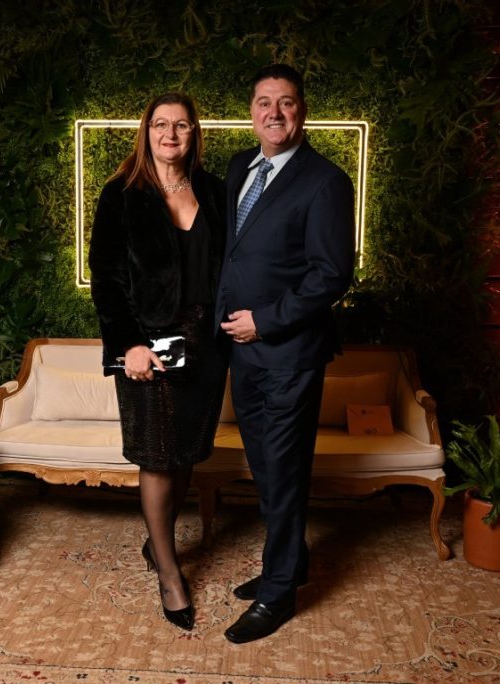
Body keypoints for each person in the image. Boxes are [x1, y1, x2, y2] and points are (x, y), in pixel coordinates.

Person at [216, 64, 355, 643]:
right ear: (251, 111)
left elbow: (332, 275)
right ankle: (291, 563)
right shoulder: (238, 168)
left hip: (289, 355)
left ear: (303, 111)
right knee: (266, 469)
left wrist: (265, 321)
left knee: (285, 469)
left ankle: (277, 594)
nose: (274, 113)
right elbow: (233, 254)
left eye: (286, 102)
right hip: (241, 353)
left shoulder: (325, 181)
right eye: (263, 102)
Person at [89, 92, 227, 631]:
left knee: (186, 451)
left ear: (195, 133)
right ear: (146, 132)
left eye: (182, 125)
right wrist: (129, 345)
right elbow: (106, 279)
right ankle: (169, 573)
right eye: (161, 124)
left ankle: (157, 542)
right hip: (149, 343)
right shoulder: (122, 194)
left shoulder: (214, 191)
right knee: (156, 456)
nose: (171, 134)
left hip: (206, 344)